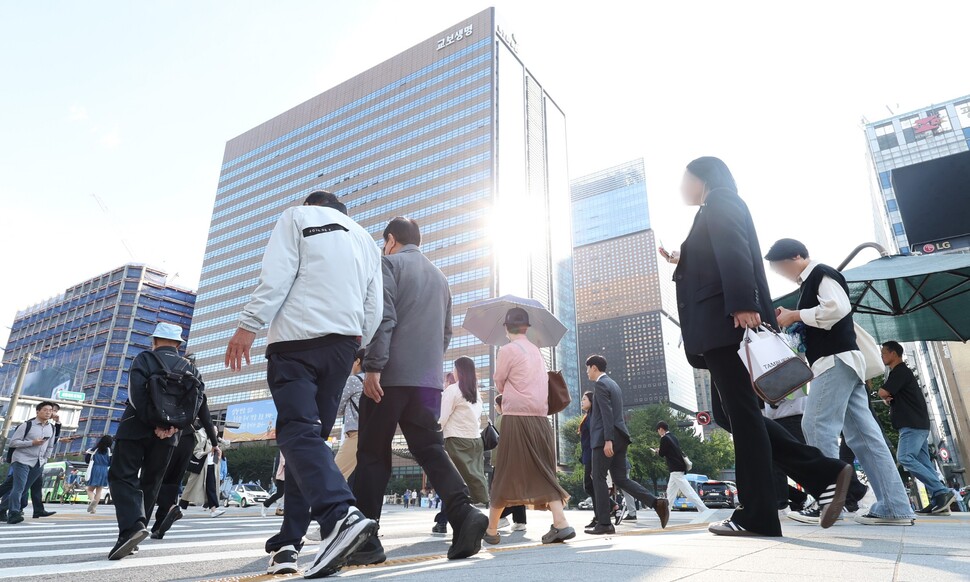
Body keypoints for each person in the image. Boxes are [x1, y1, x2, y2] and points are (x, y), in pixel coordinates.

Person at [670, 157, 855, 537]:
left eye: (683, 179)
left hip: (729, 323)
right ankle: (824, 474)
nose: (680, 187)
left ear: (700, 177)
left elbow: (735, 251)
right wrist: (681, 259)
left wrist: (742, 303)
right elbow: (715, 256)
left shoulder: (720, 200)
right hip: (724, 324)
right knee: (733, 415)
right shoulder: (713, 206)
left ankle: (757, 514)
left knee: (742, 415)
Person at [224, 190, 382, 577]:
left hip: (296, 341)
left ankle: (339, 514)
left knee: (296, 431)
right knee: (309, 440)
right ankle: (289, 545)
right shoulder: (365, 237)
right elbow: (375, 303)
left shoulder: (297, 216)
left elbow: (277, 275)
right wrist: (356, 342)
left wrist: (248, 325)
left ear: (313, 205)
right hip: (343, 346)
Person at [351, 217, 488, 565]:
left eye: (385, 242)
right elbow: (445, 334)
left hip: (389, 376)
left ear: (391, 240)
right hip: (426, 381)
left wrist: (373, 366)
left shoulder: (389, 263)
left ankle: (367, 539)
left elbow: (385, 318)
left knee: (371, 453)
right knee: (429, 449)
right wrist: (428, 368)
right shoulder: (441, 278)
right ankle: (463, 513)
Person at [767, 238, 917, 527]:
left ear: (797, 256)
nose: (780, 271)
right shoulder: (812, 281)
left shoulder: (820, 273)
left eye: (780, 265)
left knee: (815, 425)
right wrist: (796, 319)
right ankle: (895, 505)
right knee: (864, 436)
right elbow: (830, 313)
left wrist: (796, 314)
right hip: (845, 361)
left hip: (834, 360)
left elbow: (837, 308)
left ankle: (825, 498)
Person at [485, 308, 575, 545]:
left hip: (516, 417)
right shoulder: (536, 351)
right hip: (541, 419)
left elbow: (500, 383)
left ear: (506, 328)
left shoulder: (507, 350)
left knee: (505, 471)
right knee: (544, 469)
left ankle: (492, 529)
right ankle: (561, 523)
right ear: (527, 328)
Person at [585, 355, 669, 535]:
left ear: (593, 367)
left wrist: (607, 439)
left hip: (606, 439)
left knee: (598, 478)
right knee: (621, 479)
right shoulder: (614, 384)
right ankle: (656, 502)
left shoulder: (600, 384)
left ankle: (605, 524)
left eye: (587, 369)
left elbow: (606, 414)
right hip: (621, 436)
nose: (587, 373)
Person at [879, 340, 954, 515]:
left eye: (884, 352)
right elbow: (888, 394)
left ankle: (942, 491)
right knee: (924, 464)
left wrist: (885, 395)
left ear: (894, 354)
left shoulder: (900, 371)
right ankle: (939, 500)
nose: (881, 355)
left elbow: (883, 392)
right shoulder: (901, 373)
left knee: (905, 457)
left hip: (911, 425)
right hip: (918, 425)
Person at [433, 356, 490, 534]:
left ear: (460, 371)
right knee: (467, 482)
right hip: (475, 442)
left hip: (456, 441)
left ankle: (459, 520)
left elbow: (441, 419)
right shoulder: (476, 393)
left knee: (452, 483)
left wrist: (430, 429)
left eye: (455, 368)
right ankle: (453, 519)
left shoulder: (453, 390)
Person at [151, 394, 220, 539]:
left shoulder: (168, 382)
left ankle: (170, 508)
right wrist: (215, 444)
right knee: (172, 483)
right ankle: (158, 528)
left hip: (169, 434)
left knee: (156, 479)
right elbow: (207, 419)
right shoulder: (197, 390)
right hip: (188, 440)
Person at [1, 401, 56, 524]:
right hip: (22, 460)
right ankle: (14, 513)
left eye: (50, 410)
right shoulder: (27, 425)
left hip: (38, 463)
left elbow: (50, 446)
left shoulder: (51, 427)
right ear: (38, 411)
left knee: (18, 488)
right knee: (19, 488)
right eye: (45, 410)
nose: (48, 412)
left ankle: (1, 510)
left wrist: (45, 458)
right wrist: (32, 443)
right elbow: (13, 443)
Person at [762, 396, 810, 512]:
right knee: (775, 466)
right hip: (776, 417)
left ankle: (783, 504)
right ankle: (802, 499)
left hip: (791, 415)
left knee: (801, 463)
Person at [654, 421, 708, 513]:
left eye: (658, 430)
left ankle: (704, 509)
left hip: (675, 469)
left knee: (688, 491)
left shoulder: (664, 438)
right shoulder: (673, 437)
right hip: (677, 467)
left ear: (661, 429)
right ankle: (666, 512)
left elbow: (662, 453)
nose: (658, 432)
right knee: (670, 492)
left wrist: (657, 451)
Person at [492, 394, 527, 531]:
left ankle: (501, 517)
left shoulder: (501, 419)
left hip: (503, 461)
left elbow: (497, 443)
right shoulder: (517, 418)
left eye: (496, 404)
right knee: (517, 490)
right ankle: (520, 521)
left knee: (499, 491)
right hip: (518, 460)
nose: (495, 407)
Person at [334, 349, 365, 480]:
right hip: (374, 435)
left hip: (356, 434)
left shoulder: (354, 380)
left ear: (358, 361)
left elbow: (338, 408)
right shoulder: (379, 381)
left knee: (334, 474)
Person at [578, 391, 595, 528]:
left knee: (590, 486)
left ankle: (610, 508)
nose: (582, 401)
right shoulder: (587, 416)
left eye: (584, 399)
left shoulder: (592, 416)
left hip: (592, 455)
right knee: (590, 486)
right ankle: (606, 510)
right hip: (587, 455)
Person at [85, 435, 113, 514]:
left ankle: (92, 500)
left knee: (90, 489)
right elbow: (111, 462)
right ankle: (93, 509)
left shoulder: (94, 449)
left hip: (95, 469)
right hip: (104, 470)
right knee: (99, 490)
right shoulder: (109, 451)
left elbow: (87, 460)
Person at [262, 450, 286, 517]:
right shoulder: (283, 450)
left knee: (290, 493)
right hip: (282, 476)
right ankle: (265, 504)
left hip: (290, 476)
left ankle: (281, 509)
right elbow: (285, 463)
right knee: (280, 493)